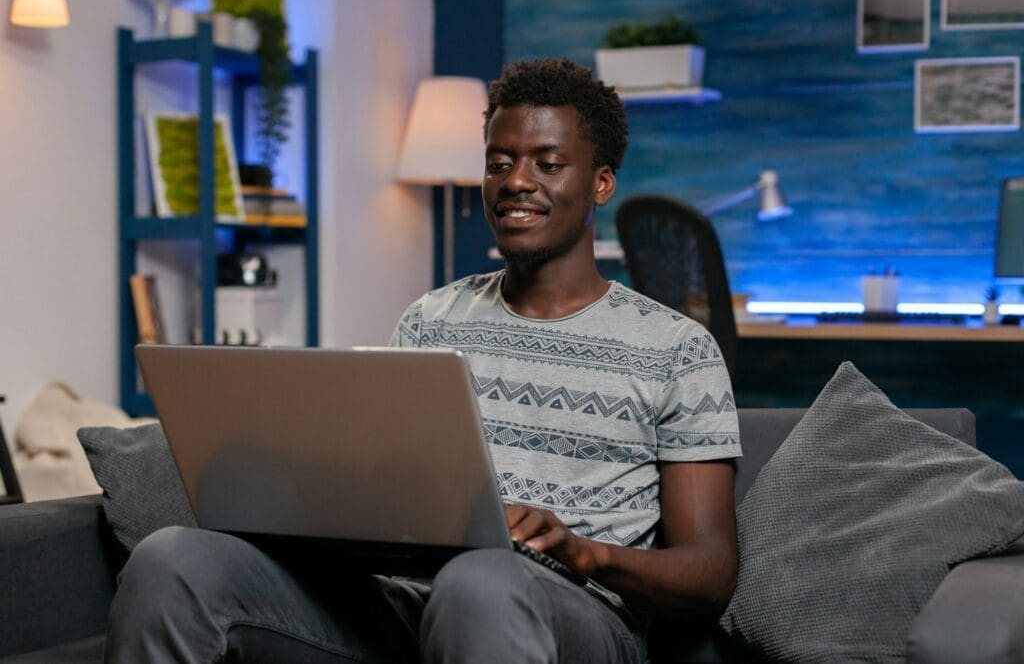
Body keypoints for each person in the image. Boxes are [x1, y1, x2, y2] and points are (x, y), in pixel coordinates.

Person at [106, 58, 741, 664]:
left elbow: (709, 572)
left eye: (547, 163)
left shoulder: (675, 348)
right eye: (499, 162)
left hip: (576, 619)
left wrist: (586, 553)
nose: (516, 181)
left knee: (482, 582)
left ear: (601, 181)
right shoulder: (429, 321)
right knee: (173, 560)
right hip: (412, 604)